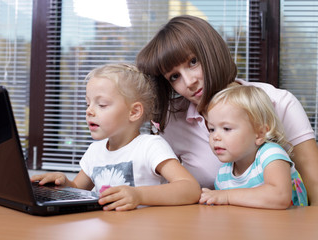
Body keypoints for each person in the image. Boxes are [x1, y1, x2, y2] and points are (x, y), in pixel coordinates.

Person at [136, 15, 318, 205]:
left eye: (193, 62)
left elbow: (315, 191)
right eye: (174, 77)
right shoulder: (173, 121)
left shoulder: (278, 103)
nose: (189, 82)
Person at [31, 63, 201, 211]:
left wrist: (138, 195)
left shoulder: (150, 146)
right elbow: (78, 189)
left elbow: (190, 189)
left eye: (102, 104)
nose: (89, 111)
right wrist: (62, 184)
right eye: (87, 103)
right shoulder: (94, 151)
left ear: (134, 112)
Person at [199, 84, 308, 208]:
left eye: (226, 128)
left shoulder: (271, 154)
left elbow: (280, 196)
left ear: (259, 134)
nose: (215, 137)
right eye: (212, 129)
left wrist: (227, 196)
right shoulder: (223, 174)